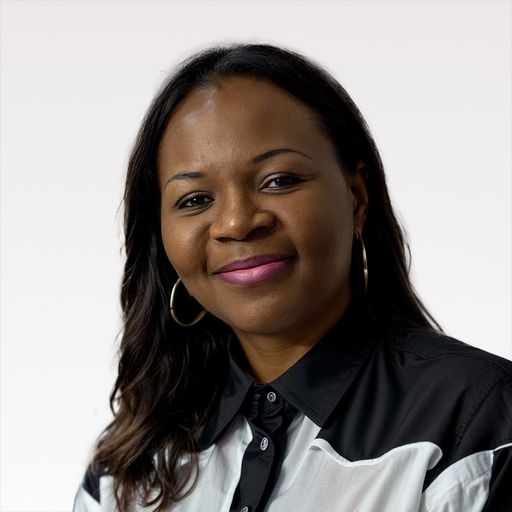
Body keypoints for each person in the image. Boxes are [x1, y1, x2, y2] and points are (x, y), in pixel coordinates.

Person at [73, 43, 512, 512]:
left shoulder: (475, 422)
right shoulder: (126, 464)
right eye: (195, 200)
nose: (237, 223)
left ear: (357, 196)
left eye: (279, 180)